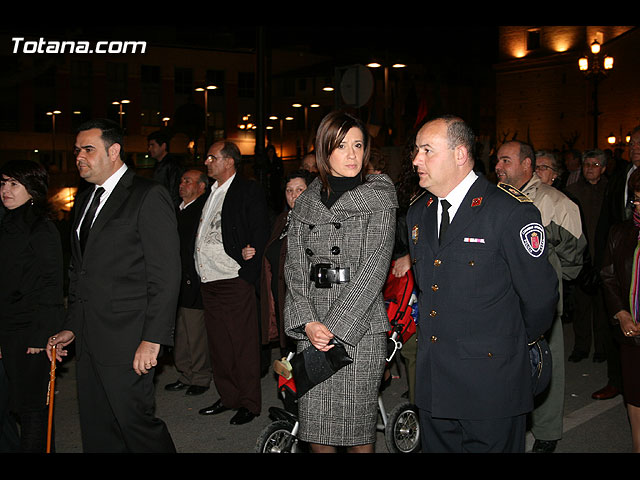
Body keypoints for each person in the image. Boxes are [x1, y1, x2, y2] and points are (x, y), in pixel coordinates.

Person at [408, 116, 557, 453]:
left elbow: (540, 298)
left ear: (460, 154)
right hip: (435, 385)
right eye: (416, 151)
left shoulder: (508, 212)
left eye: (427, 151)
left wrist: (509, 346)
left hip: (490, 384)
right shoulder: (418, 214)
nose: (416, 160)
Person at [47, 119, 180, 453]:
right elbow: (80, 271)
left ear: (114, 150)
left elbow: (165, 275)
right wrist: (71, 327)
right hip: (90, 336)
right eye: (77, 149)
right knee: (97, 426)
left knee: (136, 424)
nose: (79, 156)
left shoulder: (147, 195)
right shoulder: (83, 199)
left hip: (129, 335)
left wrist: (153, 339)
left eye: (88, 149)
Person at [284, 110, 398, 453]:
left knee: (358, 434)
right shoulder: (305, 203)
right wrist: (308, 323)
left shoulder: (379, 196)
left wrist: (333, 327)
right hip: (314, 329)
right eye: (342, 145)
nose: (352, 154)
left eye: (359, 145)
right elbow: (294, 269)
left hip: (358, 330)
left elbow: (374, 269)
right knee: (317, 433)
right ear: (324, 151)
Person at [495, 140, 585, 453]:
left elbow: (574, 257)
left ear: (527, 165)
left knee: (548, 365)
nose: (498, 167)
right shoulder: (495, 198)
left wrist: (554, 276)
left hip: (541, 298)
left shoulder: (554, 201)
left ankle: (547, 432)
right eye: (497, 161)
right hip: (504, 299)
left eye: (506, 161)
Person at [196, 140, 270, 425]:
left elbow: (259, 230)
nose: (207, 162)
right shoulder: (211, 192)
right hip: (209, 280)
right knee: (220, 346)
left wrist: (247, 273)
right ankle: (228, 397)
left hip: (233, 279)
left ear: (229, 161)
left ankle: (249, 403)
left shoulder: (246, 190)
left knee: (242, 345)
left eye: (212, 157)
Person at [0, 160, 65, 452]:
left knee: (32, 409)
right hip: (6, 326)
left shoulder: (41, 228)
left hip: (29, 332)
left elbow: (52, 284)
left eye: (14, 184)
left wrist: (42, 336)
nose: (5, 190)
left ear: (32, 189)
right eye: (3, 183)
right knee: (13, 404)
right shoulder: (7, 223)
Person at [242, 170, 313, 360]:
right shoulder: (282, 220)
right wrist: (249, 251)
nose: (294, 195)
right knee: (289, 364)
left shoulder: (317, 222)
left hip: (307, 306)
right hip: (281, 302)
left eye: (300, 189)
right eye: (289, 190)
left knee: (307, 364)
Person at [592, 126, 640, 400]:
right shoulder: (620, 174)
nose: (634, 148)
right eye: (632, 144)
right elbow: (606, 218)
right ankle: (617, 381)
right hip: (619, 250)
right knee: (617, 317)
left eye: (639, 144)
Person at [600, 168, 640, 453]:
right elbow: (608, 275)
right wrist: (622, 313)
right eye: (637, 200)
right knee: (636, 396)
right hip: (631, 330)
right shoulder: (621, 232)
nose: (638, 206)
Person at [165, 169, 212, 396]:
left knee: (195, 333)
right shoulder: (177, 210)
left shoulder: (202, 210)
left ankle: (200, 377)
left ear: (202, 187)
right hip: (177, 279)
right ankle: (185, 373)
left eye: (188, 181)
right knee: (180, 332)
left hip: (194, 279)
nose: (182, 185)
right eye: (181, 180)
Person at [565, 150, 611, 364]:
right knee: (581, 306)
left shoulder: (610, 190)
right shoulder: (572, 191)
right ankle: (581, 347)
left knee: (603, 307)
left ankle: (601, 348)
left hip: (603, 256)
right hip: (580, 257)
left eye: (594, 164)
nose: (590, 168)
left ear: (603, 168)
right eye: (586, 165)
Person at [148, 130, 184, 207]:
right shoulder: (159, 164)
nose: (149, 149)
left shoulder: (172, 164)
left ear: (163, 146)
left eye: (152, 145)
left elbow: (174, 191)